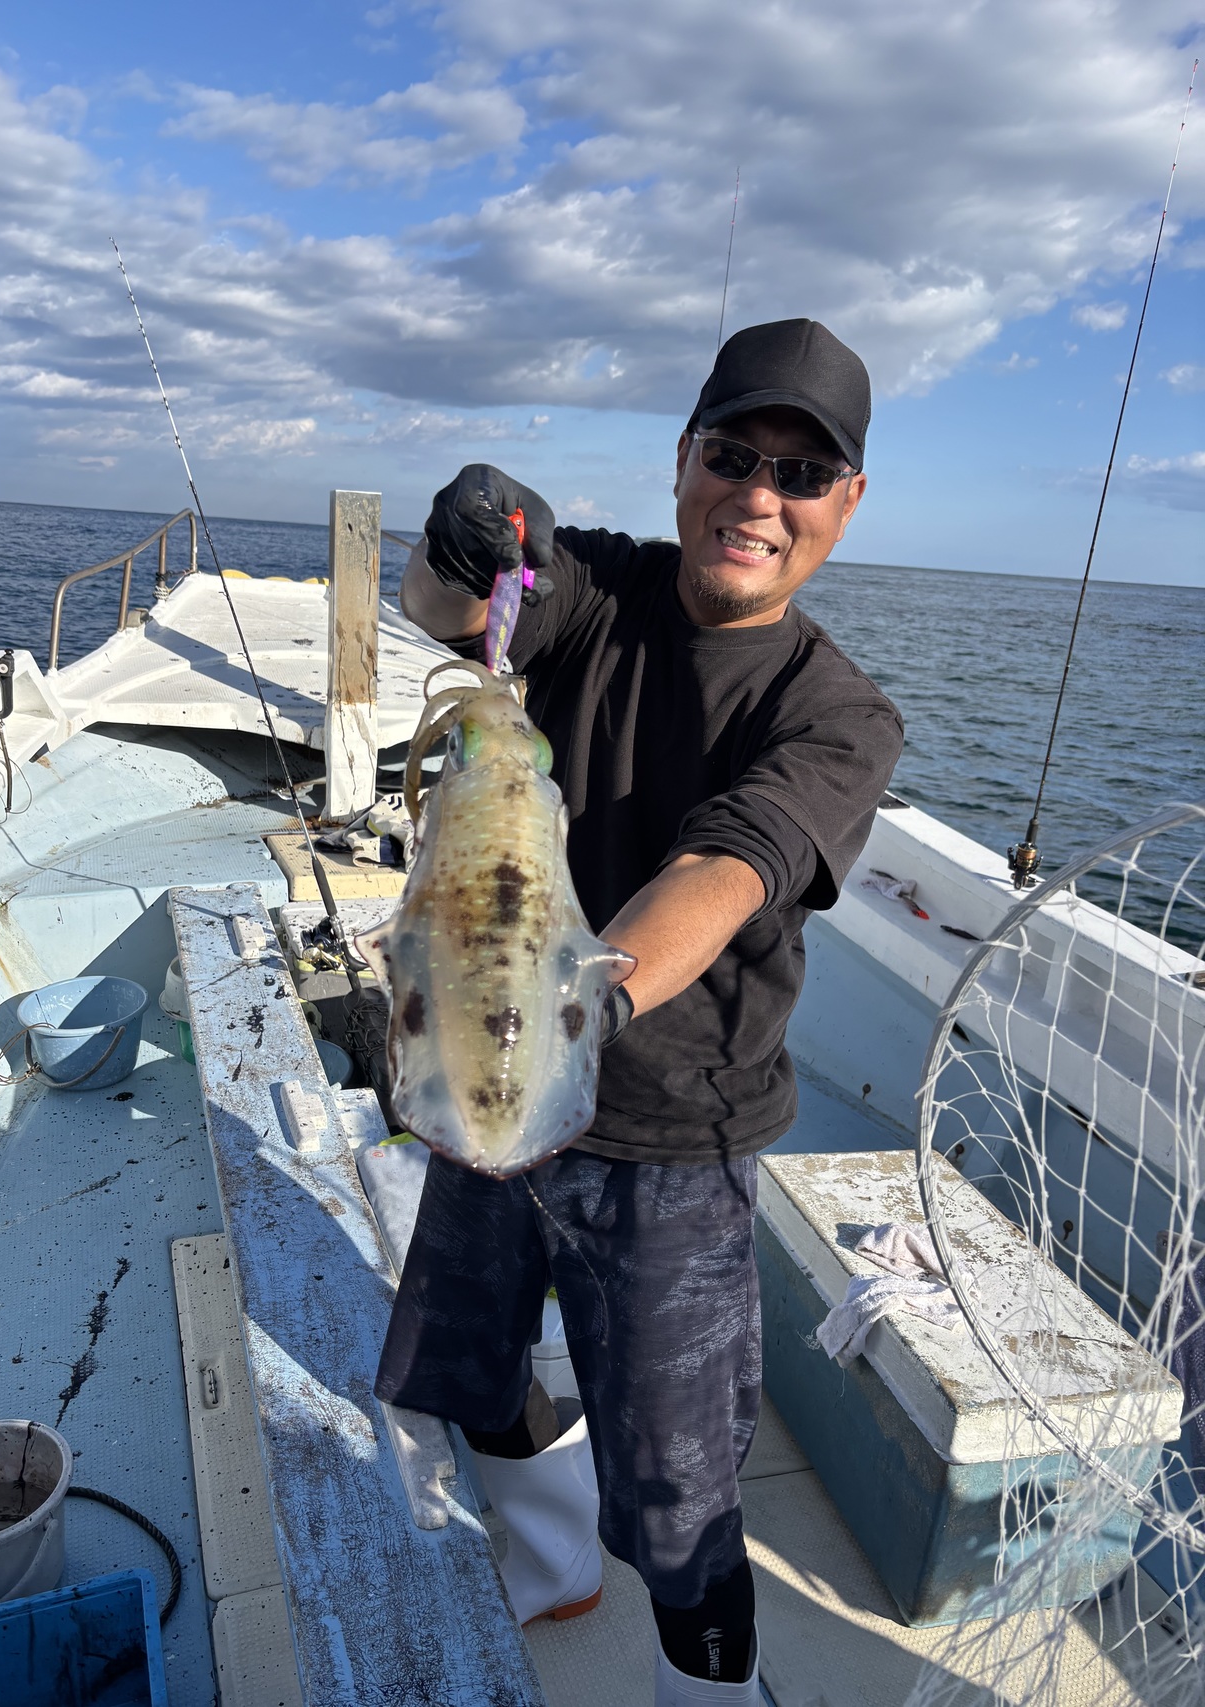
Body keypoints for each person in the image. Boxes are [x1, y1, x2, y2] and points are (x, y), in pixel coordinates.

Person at [375, 319, 904, 1705]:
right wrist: (463, 546)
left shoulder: (840, 714)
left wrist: (572, 1004)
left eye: (803, 473)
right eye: (734, 454)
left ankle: (705, 1691)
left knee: (680, 1500)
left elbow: (724, 873)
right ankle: (553, 1559)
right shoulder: (595, 584)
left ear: (846, 503)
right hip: (486, 1072)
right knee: (465, 1370)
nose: (760, 496)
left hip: (672, 1145)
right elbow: (449, 612)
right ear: (685, 460)